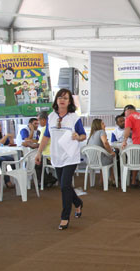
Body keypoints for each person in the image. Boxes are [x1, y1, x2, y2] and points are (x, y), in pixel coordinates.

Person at [35, 89, 86, 230]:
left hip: (70, 156)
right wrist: (39, 152)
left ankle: (64, 217)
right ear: (56, 100)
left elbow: (83, 135)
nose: (62, 100)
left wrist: (77, 137)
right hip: (56, 156)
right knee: (66, 186)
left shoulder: (74, 117)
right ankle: (78, 202)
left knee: (64, 186)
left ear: (69, 102)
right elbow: (46, 136)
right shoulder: (51, 117)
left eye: (66, 98)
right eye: (60, 97)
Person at [87, 118, 116, 185]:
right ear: (98, 125)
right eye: (102, 123)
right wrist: (111, 152)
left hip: (91, 161)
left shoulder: (91, 135)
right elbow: (105, 143)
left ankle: (102, 180)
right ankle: (113, 178)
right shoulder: (101, 132)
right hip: (100, 160)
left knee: (103, 156)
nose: (105, 125)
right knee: (113, 157)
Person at [35, 111, 57, 188]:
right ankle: (49, 178)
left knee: (37, 164)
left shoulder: (45, 128)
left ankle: (45, 181)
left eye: (38, 120)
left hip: (48, 156)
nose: (38, 122)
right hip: (56, 154)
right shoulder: (54, 127)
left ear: (43, 120)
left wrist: (27, 144)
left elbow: (39, 144)